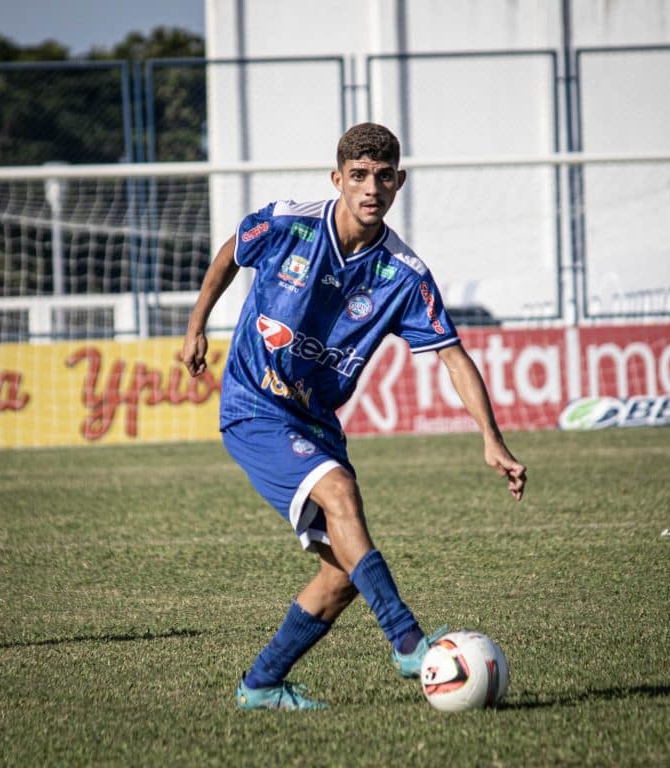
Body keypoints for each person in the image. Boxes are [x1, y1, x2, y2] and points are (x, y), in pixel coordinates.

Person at [182, 122, 526, 711]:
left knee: (340, 576)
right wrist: (195, 328)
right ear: (337, 179)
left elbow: (452, 354)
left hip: (316, 421)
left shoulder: (405, 275)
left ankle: (260, 685)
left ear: (399, 182)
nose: (372, 188)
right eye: (360, 176)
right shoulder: (288, 223)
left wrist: (491, 439)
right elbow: (230, 254)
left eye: (384, 177)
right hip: (253, 405)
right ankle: (409, 641)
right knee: (340, 493)